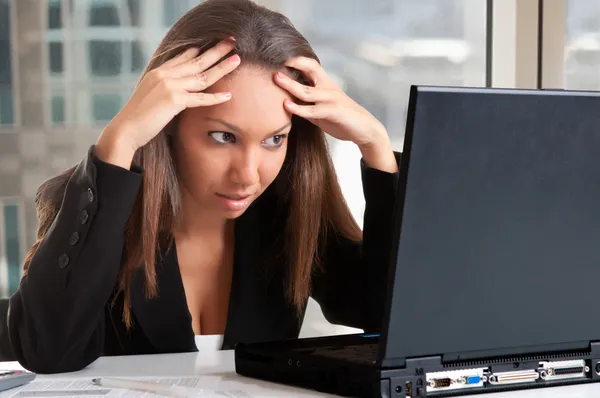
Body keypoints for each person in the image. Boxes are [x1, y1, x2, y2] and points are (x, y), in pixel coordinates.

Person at [7, 0, 401, 374]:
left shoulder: (290, 213)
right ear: (169, 122)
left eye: (274, 140)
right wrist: (121, 140)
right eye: (223, 137)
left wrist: (376, 148)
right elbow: (48, 351)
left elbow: (388, 315)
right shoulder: (97, 207)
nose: (248, 175)